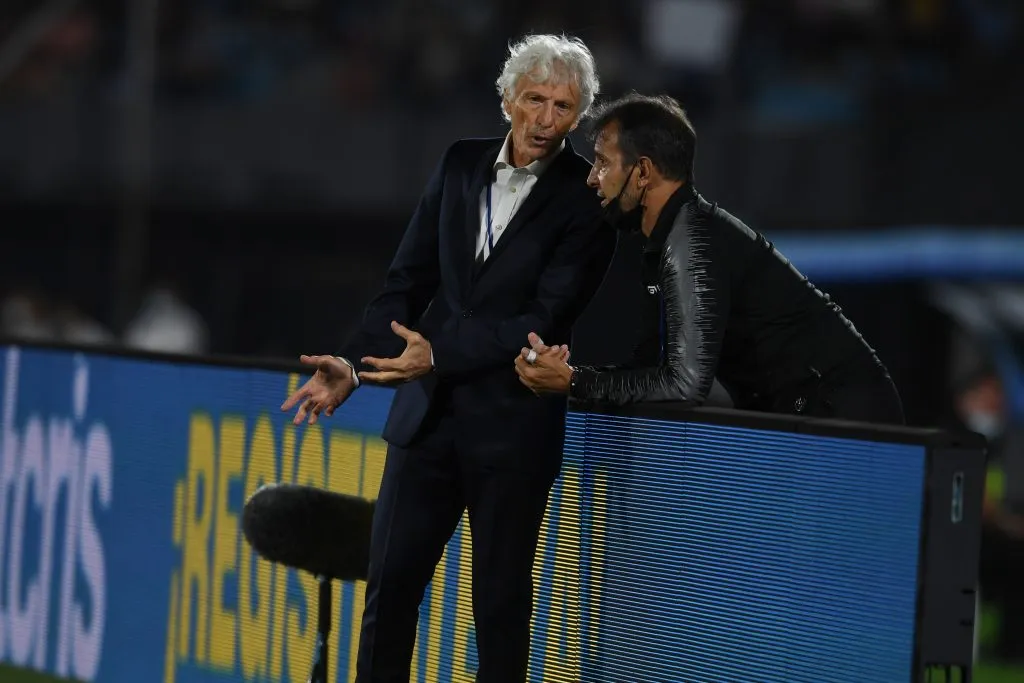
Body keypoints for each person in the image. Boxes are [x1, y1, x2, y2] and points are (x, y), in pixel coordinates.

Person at [281, 34, 615, 682]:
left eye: (564, 106)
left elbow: (541, 320)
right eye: (536, 100)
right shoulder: (459, 164)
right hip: (425, 424)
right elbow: (405, 283)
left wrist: (434, 355)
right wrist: (353, 365)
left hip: (513, 431)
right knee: (389, 593)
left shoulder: (587, 197)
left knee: (498, 606)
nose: (547, 120)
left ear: (580, 115)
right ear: (507, 99)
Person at [515, 92, 904, 425]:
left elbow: (684, 385)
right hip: (818, 415)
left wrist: (573, 383)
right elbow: (647, 370)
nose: (592, 178)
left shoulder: (692, 240)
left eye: (602, 162)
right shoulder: (667, 237)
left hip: (846, 416)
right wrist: (568, 375)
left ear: (643, 171)